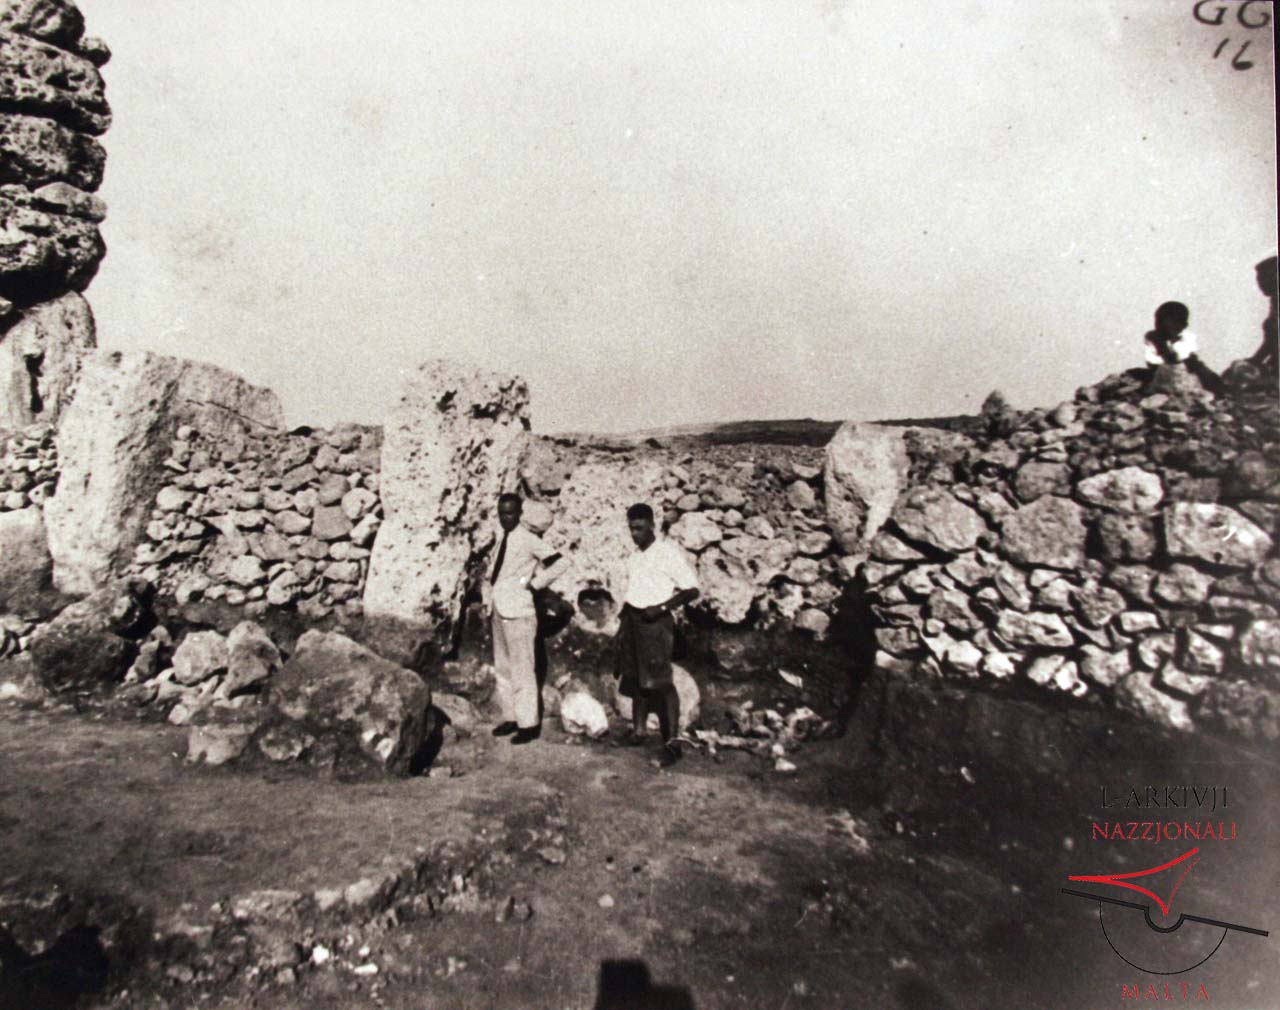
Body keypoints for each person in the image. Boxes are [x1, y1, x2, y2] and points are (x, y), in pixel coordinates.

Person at [614, 502, 699, 768]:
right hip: (633, 619)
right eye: (631, 528)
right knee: (636, 676)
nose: (634, 533)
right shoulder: (634, 556)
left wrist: (662, 608)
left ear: (652, 525)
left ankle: (672, 743)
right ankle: (639, 731)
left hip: (656, 623)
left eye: (639, 528)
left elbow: (691, 589)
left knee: (661, 682)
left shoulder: (666, 553)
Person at [487, 493, 569, 744]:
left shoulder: (528, 539)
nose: (505, 518)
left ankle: (528, 724)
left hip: (520, 612)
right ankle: (511, 717)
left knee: (523, 669)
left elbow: (560, 562)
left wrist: (533, 584)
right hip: (499, 610)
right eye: (501, 513)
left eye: (510, 512)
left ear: (520, 513)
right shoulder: (503, 538)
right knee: (503, 667)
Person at [1143, 300, 1220, 392]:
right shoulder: (1155, 337)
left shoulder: (1182, 338)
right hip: (1166, 376)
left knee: (1204, 372)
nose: (1184, 326)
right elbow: (1169, 360)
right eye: (1176, 321)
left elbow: (1189, 359)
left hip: (1182, 376)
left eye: (1182, 321)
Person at [1250, 255, 1277, 377]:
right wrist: (1256, 360)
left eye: (1262, 279)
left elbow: (1273, 339)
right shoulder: (1275, 301)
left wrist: (1256, 360)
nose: (1260, 285)